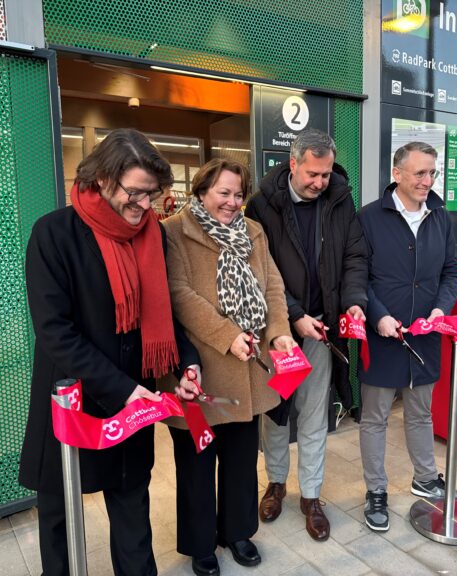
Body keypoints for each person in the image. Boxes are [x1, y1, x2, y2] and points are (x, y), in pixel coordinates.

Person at [19, 128, 201, 576]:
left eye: (152, 195)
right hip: (75, 397)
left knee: (131, 504)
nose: (144, 206)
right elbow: (54, 332)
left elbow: (160, 315)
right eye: (135, 193)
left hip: (131, 399)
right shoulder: (54, 234)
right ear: (101, 179)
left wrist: (185, 362)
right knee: (60, 513)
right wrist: (122, 389)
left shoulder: (151, 235)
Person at [159, 158, 296, 576]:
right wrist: (225, 334)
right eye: (224, 193)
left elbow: (272, 287)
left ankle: (237, 532)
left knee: (239, 460)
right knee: (197, 463)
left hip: (249, 366)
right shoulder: (173, 232)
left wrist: (279, 333)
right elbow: (177, 293)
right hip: (198, 368)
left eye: (239, 194)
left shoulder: (254, 232)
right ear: (202, 191)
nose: (233, 202)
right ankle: (201, 544)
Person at [245, 129, 368, 542]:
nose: (320, 182)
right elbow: (260, 272)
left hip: (322, 330)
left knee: (316, 415)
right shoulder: (262, 204)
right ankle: (276, 483)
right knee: (276, 415)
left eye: (326, 173)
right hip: (279, 332)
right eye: (313, 173)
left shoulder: (340, 196)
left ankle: (311, 496)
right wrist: (293, 316)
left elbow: (354, 253)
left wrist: (353, 301)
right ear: (293, 163)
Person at [357, 141, 457, 533]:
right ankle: (376, 491)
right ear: (397, 174)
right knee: (375, 418)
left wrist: (441, 308)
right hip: (382, 336)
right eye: (419, 172)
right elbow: (356, 277)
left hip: (425, 336)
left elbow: (452, 271)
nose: (427, 180)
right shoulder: (368, 218)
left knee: (421, 411)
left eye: (432, 172)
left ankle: (425, 478)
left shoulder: (440, 217)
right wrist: (378, 316)